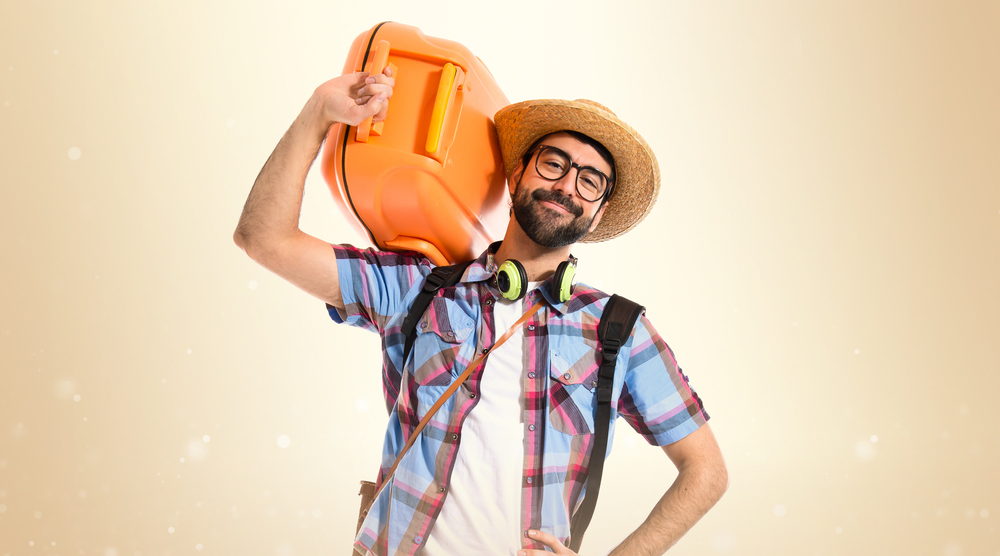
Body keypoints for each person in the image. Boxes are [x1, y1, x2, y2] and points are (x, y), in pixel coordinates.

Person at [234, 67, 728, 556]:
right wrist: (318, 112)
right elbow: (263, 238)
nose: (566, 186)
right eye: (553, 163)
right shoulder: (419, 286)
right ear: (517, 173)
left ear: (598, 212)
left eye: (590, 180)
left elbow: (706, 472)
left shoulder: (618, 330)